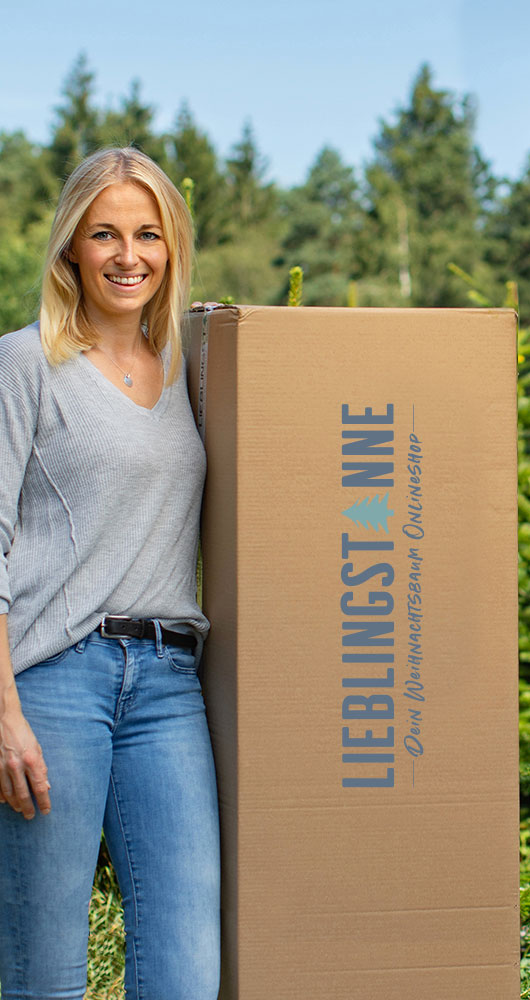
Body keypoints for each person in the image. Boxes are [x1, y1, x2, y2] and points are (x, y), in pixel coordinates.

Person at [0, 148, 219, 999]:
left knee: (185, 969)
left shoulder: (193, 369)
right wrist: (4, 711)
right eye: (105, 233)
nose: (129, 255)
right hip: (56, 681)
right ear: (71, 249)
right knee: (44, 972)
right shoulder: (24, 365)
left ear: (170, 248)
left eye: (147, 233)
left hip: (169, 687)